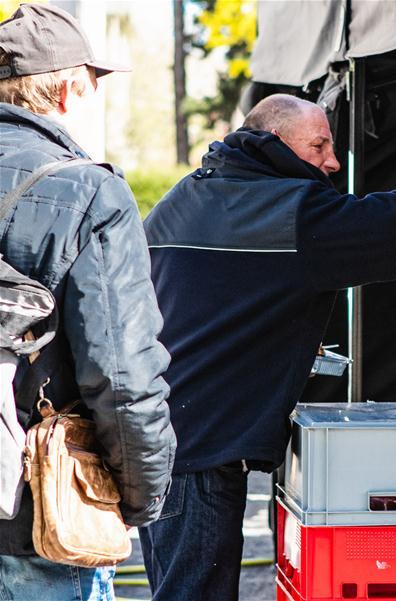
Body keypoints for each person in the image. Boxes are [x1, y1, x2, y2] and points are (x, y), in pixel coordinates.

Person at [139, 93, 396, 601]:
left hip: (156, 434)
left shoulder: (182, 197)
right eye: (319, 145)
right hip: (198, 447)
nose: (333, 161)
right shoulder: (288, 211)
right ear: (275, 144)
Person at [0, 4, 175, 600]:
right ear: (72, 87)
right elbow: (122, 374)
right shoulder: (88, 190)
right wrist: (139, 495)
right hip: (37, 514)